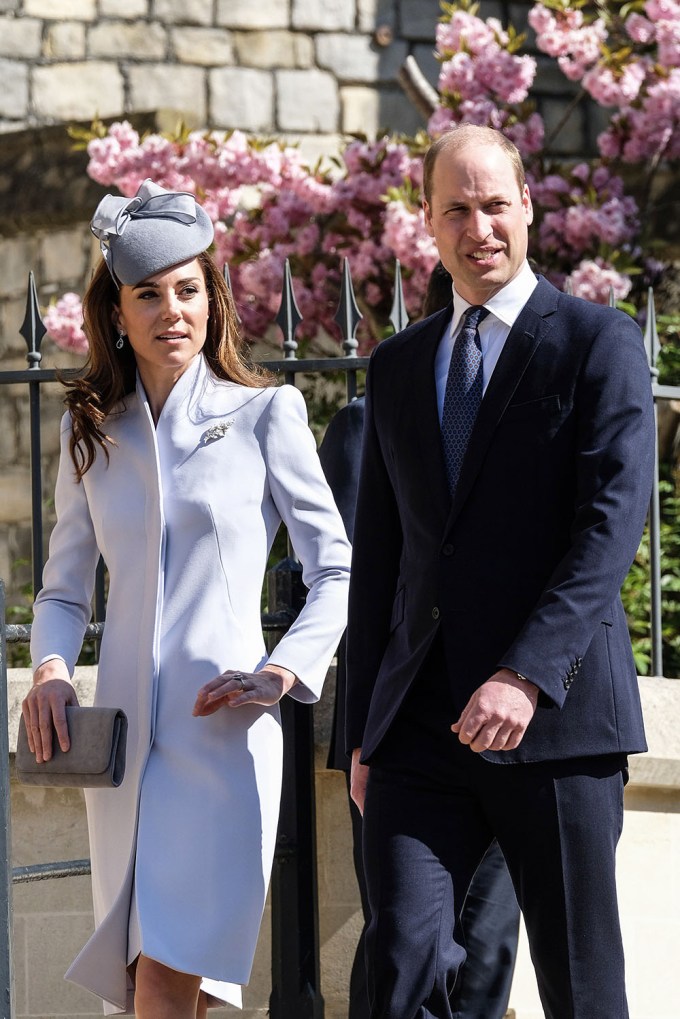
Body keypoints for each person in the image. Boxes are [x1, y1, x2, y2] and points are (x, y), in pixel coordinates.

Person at [345, 125, 655, 1019]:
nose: (478, 228)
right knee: (400, 970)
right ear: (427, 223)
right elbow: (382, 562)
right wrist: (364, 733)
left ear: (527, 207)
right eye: (456, 210)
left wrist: (526, 672)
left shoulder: (597, 342)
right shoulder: (398, 365)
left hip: (556, 721)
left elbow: (608, 529)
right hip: (419, 731)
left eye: (493, 205)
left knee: (580, 989)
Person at [22, 179, 351, 1019]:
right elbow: (63, 588)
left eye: (188, 289)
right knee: (146, 982)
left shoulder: (267, 413)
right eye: (149, 294)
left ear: (213, 300)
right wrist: (52, 668)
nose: (172, 310)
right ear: (117, 315)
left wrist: (282, 671)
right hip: (121, 752)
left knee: (166, 980)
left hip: (222, 742)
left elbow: (335, 570)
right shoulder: (89, 431)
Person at [320, 261, 519, 1019]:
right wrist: (363, 732)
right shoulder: (367, 420)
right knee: (405, 945)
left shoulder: (528, 413)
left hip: (512, 726)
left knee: (489, 946)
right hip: (406, 728)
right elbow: (361, 582)